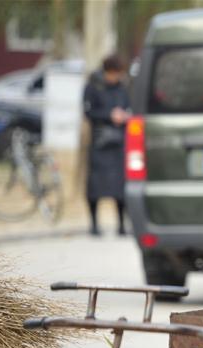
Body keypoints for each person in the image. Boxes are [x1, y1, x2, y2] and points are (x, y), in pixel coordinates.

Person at [83, 54, 130, 236]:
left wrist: (124, 116)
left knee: (120, 185)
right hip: (99, 141)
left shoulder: (122, 87)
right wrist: (109, 115)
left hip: (119, 141)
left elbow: (129, 106)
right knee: (95, 184)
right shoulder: (93, 86)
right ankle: (94, 224)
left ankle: (121, 225)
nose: (115, 77)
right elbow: (88, 112)